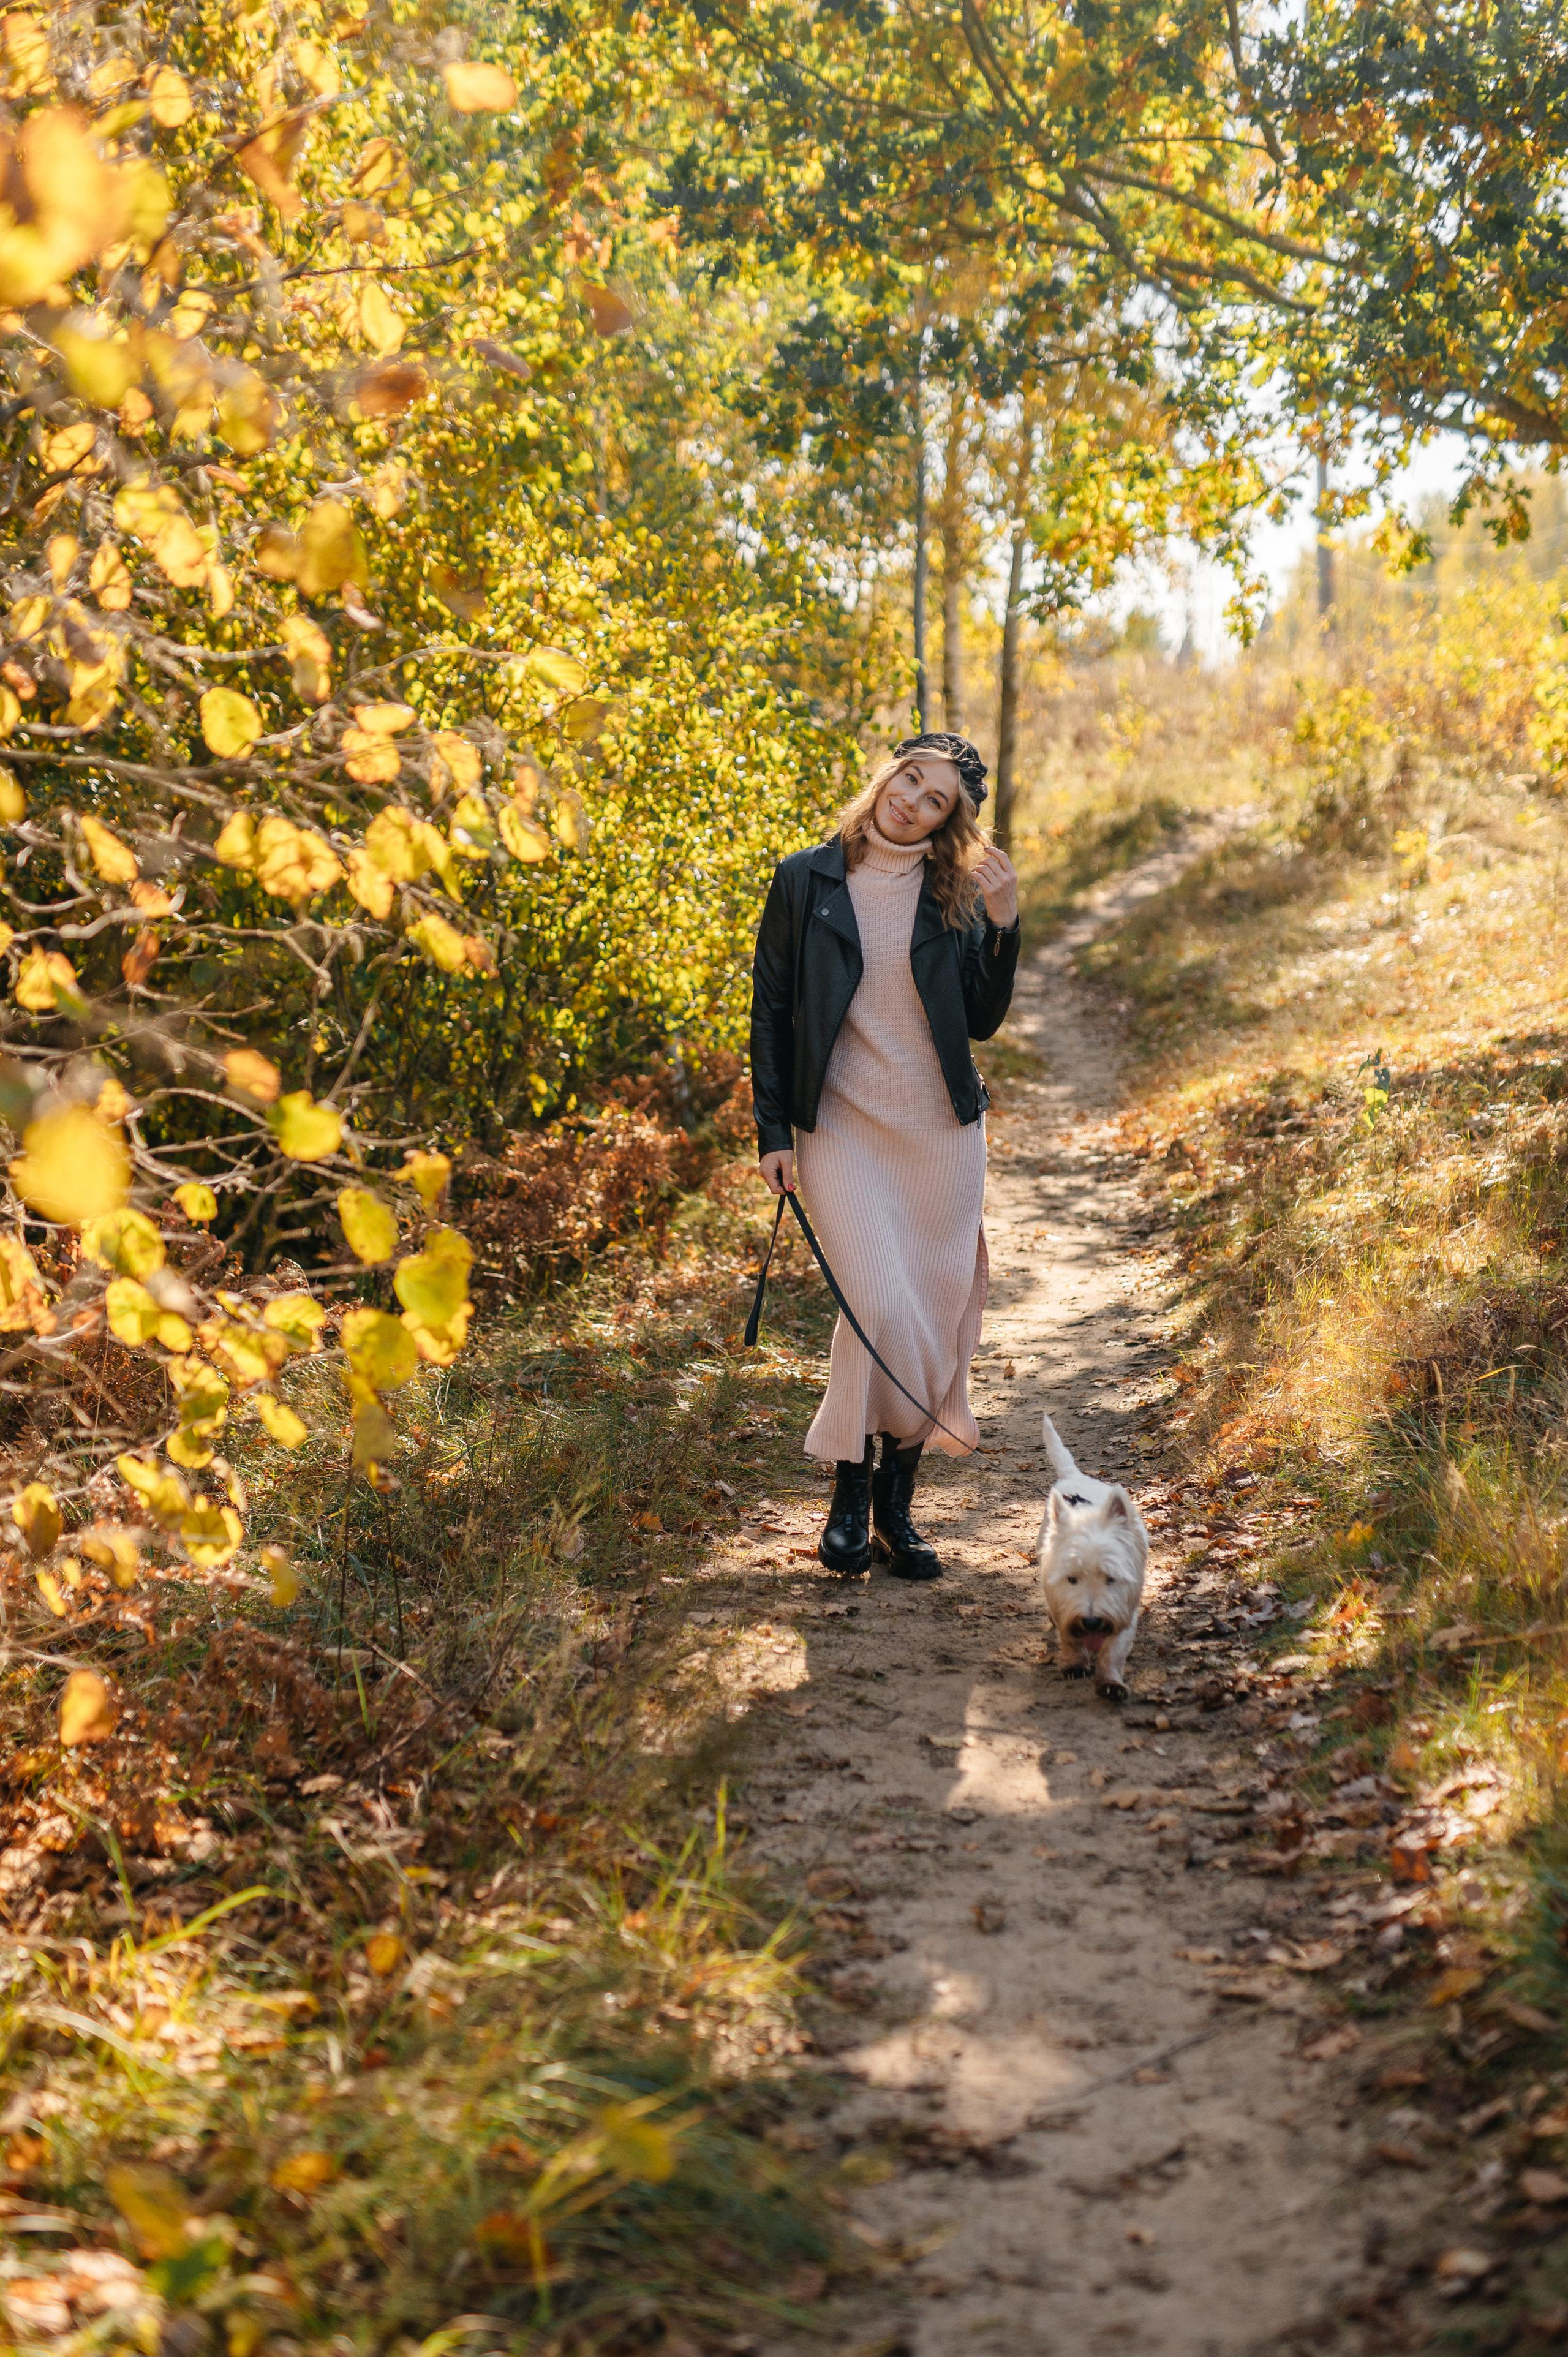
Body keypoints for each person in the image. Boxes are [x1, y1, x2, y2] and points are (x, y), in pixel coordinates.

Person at [748, 731, 1020, 1580]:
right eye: (910, 780)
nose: (911, 801)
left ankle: (895, 1506)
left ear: (948, 823)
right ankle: (848, 1495)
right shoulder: (805, 879)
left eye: (935, 799)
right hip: (839, 1129)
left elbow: (979, 1020)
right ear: (887, 776)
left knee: (932, 1313)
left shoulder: (955, 895)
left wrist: (1007, 925)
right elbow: (771, 1009)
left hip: (939, 1131)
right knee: (875, 1299)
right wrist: (772, 1134)